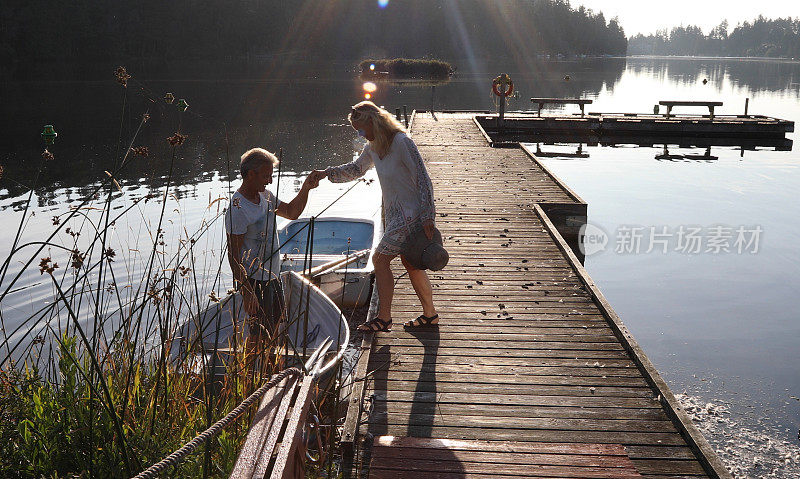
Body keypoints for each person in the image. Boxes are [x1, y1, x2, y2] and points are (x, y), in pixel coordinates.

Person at [320, 101, 439, 331]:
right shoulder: (372, 147)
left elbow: (423, 179)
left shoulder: (402, 142)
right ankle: (430, 315)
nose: (361, 134)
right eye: (357, 132)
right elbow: (356, 170)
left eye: (361, 129)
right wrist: (327, 174)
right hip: (394, 215)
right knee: (411, 262)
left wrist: (428, 216)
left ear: (373, 121)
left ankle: (384, 318)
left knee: (380, 259)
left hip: (413, 214)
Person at [225, 147, 325, 346]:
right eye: (266, 176)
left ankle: (269, 368)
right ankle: (254, 372)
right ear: (250, 174)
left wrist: (305, 188)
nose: (270, 181)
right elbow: (233, 255)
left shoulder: (266, 196)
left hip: (272, 275)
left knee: (275, 324)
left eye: (271, 176)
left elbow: (291, 212)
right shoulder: (238, 208)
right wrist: (247, 292)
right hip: (253, 281)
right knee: (258, 333)